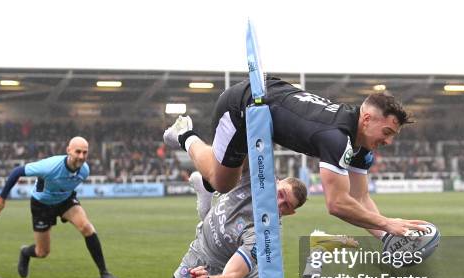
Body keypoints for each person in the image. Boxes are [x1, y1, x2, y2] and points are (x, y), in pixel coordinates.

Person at [163, 77, 428, 238]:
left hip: (271, 105)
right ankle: (185, 134)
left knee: (236, 174)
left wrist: (385, 237)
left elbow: (360, 198)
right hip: (244, 106)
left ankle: (205, 183)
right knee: (224, 182)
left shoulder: (360, 144)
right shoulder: (336, 138)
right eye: (387, 132)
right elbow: (337, 204)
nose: (389, 141)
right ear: (367, 119)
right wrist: (387, 223)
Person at [156, 170, 326, 278]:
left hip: (243, 272)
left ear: (290, 213)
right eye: (280, 194)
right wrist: (187, 141)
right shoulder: (255, 175)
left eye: (286, 206)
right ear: (276, 181)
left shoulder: (266, 233)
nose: (278, 204)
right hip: (203, 254)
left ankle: (316, 255)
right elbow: (230, 152)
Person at [0, 136, 119, 278]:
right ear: (68, 151)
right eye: (78, 152)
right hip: (42, 205)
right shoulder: (50, 166)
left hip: (65, 201)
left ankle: (104, 273)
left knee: (86, 227)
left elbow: (67, 184)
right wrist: (2, 197)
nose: (82, 157)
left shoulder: (85, 170)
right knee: (42, 252)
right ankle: (25, 252)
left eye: (85, 152)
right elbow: (17, 171)